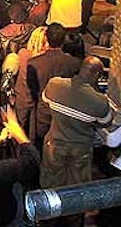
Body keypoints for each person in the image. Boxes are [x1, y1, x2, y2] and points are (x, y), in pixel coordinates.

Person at [40, 56, 112, 227]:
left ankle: (49, 218)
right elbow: (106, 121)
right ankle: (73, 220)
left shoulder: (55, 84)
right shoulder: (99, 102)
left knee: (51, 182)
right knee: (77, 187)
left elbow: (45, 101)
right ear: (96, 75)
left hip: (54, 145)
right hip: (81, 148)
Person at [27, 22, 81, 146]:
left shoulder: (34, 63)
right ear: (63, 40)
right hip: (65, 112)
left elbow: (33, 90)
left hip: (43, 113)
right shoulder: (74, 63)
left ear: (46, 38)